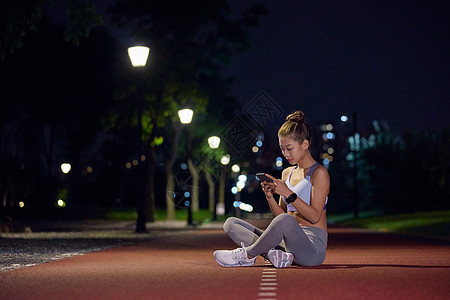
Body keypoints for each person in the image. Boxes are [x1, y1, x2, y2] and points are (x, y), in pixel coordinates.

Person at [213, 110, 330, 268]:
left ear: (305, 144)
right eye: (282, 149)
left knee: (286, 220)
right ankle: (273, 254)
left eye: (289, 148)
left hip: (311, 249)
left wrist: (287, 193)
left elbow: (315, 216)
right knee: (231, 223)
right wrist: (270, 197)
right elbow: (280, 216)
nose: (285, 154)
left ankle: (248, 255)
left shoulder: (319, 173)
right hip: (286, 243)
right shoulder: (287, 173)